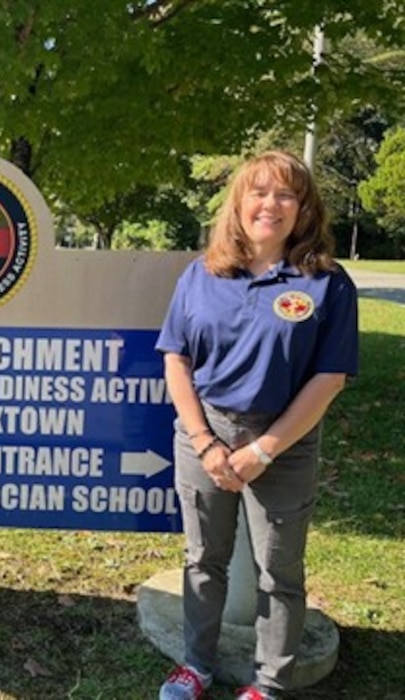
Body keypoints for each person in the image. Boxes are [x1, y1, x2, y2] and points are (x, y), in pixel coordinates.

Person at [154, 150, 358, 700]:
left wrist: (264, 450)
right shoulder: (202, 274)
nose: (271, 204)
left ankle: (268, 684)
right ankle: (196, 666)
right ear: (239, 204)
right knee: (203, 559)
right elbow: (176, 359)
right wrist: (205, 442)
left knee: (278, 572)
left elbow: (330, 378)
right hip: (204, 434)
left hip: (285, 441)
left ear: (304, 209)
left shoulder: (327, 283)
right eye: (259, 192)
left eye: (286, 194)